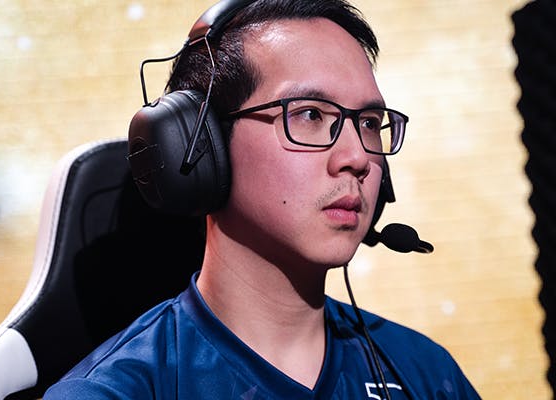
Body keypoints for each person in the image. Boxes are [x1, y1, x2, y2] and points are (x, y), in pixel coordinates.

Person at [44, 0, 481, 398]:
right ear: (202, 150)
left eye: (368, 122)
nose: (357, 158)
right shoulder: (114, 391)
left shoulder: (426, 374)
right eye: (310, 114)